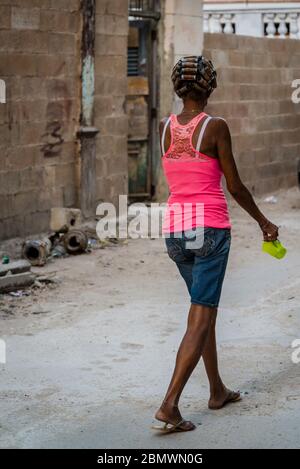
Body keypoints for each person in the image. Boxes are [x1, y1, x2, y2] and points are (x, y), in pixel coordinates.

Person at [153, 56, 279, 433]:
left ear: (178, 88)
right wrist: (264, 222)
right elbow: (235, 186)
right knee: (202, 315)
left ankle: (217, 389)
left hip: (176, 233)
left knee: (201, 312)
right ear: (210, 88)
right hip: (209, 230)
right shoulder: (215, 127)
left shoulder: (163, 127)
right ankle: (169, 405)